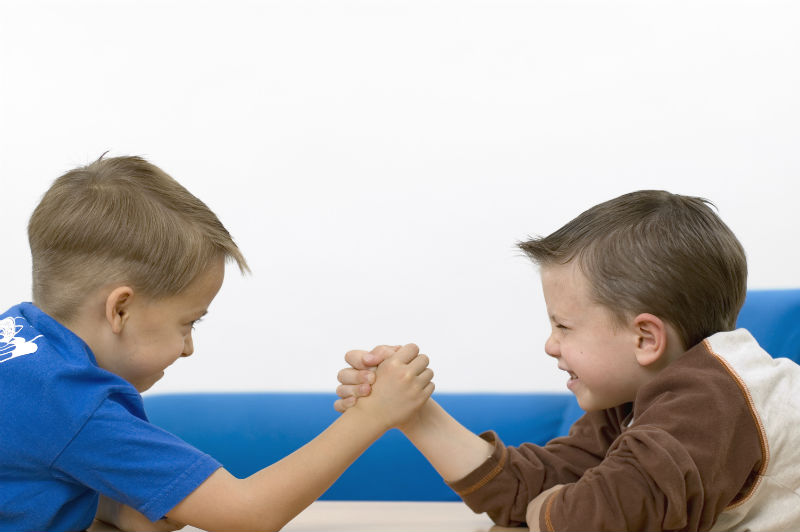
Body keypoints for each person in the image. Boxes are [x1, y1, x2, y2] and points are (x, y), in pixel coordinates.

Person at [0, 155, 434, 532]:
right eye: (188, 323)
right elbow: (248, 514)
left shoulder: (17, 340)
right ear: (120, 310)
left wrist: (115, 503)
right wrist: (374, 415)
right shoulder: (75, 403)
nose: (188, 348)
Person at [335, 190, 800, 531]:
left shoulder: (712, 401)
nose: (550, 345)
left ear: (645, 338)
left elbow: (594, 519)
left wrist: (546, 509)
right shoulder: (633, 400)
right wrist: (416, 414)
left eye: (563, 326)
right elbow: (532, 487)